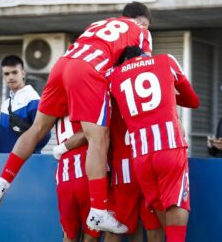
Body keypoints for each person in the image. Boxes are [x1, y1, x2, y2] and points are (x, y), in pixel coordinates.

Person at [0, 2, 152, 234]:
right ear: (142, 21)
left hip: (62, 65)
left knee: (36, 128)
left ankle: (1, 183)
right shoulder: (141, 31)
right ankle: (98, 210)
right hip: (88, 71)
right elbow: (141, 69)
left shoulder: (97, 24)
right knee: (99, 137)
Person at [108, 46, 199, 242]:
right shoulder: (166, 60)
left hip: (140, 156)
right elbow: (193, 100)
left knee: (158, 207)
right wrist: (168, 94)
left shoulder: (114, 76)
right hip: (169, 146)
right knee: (176, 203)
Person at [104, 101, 164, 242]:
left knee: (116, 227)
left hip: (123, 172)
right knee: (153, 228)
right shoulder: (153, 100)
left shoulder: (111, 99)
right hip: (148, 168)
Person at [53, 116, 100, 242]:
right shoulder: (84, 99)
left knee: (69, 235)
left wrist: (59, 149)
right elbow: (92, 128)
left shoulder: (56, 106)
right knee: (91, 233)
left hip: (64, 174)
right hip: (88, 172)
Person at [0, 55, 50, 153]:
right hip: (3, 161)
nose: (11, 77)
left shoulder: (33, 99)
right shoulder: (5, 104)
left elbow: (44, 135)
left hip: (26, 163)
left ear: (23, 73)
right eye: (7, 73)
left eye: (14, 72)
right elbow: (2, 139)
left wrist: (24, 155)